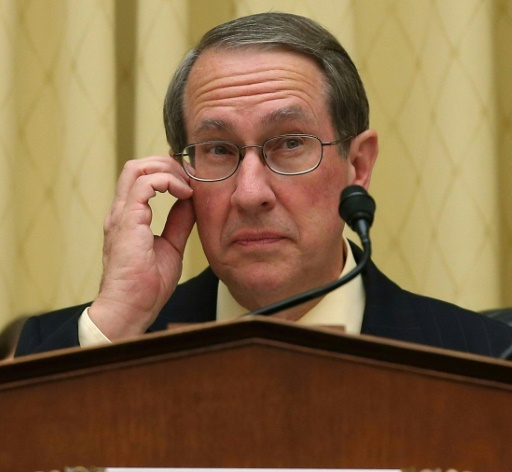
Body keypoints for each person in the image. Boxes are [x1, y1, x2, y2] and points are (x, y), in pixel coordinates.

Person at [15, 12, 512, 358]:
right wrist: (120, 320)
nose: (250, 193)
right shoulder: (91, 343)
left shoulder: (484, 360)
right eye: (218, 150)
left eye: (289, 144)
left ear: (357, 165)